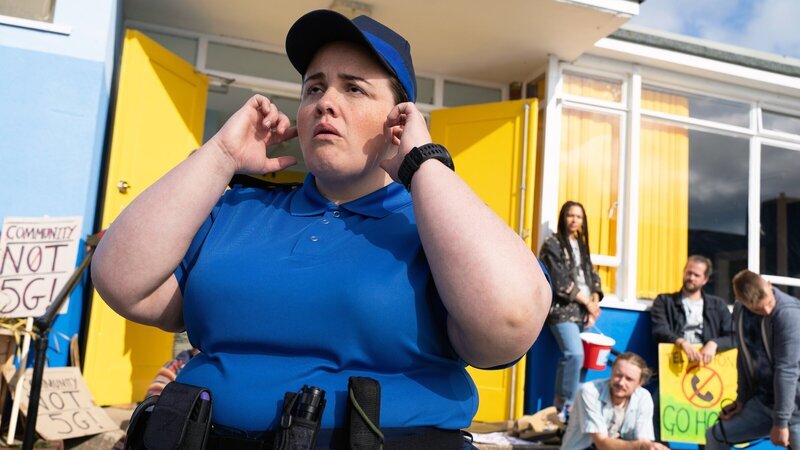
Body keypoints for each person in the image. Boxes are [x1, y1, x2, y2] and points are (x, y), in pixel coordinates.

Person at [91, 9, 551, 449]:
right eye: (314, 88)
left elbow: (508, 321)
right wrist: (221, 156)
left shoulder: (439, 226)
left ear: (400, 120)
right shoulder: (238, 208)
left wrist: (423, 164)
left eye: (353, 89)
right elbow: (121, 281)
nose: (325, 102)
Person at [705, 270, 800, 449]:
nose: (766, 310)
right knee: (715, 435)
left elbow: (787, 370)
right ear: (741, 301)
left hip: (796, 408)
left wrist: (781, 422)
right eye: (757, 309)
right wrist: (741, 400)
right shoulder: (740, 311)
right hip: (763, 402)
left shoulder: (789, 314)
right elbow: (744, 356)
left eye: (769, 303)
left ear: (769, 285)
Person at [540, 200, 603, 415]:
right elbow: (559, 282)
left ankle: (569, 413)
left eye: (579, 216)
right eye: (570, 215)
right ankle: (565, 408)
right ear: (563, 218)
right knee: (574, 355)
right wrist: (588, 303)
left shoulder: (582, 246)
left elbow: (592, 276)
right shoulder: (552, 244)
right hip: (561, 311)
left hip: (584, 313)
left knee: (583, 362)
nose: (574, 220)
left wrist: (594, 300)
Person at [560, 352, 668, 450]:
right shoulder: (590, 391)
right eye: (618, 375)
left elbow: (644, 440)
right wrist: (641, 446)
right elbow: (601, 443)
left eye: (629, 379)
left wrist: (650, 447)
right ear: (611, 373)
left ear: (640, 383)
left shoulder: (643, 397)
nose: (621, 382)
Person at [650, 255, 733, 364]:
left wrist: (714, 344)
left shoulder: (718, 305)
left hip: (709, 368)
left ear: (705, 280)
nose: (691, 278)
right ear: (684, 272)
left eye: (696, 275)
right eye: (689, 273)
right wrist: (681, 342)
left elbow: (733, 336)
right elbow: (659, 330)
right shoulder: (664, 301)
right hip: (674, 365)